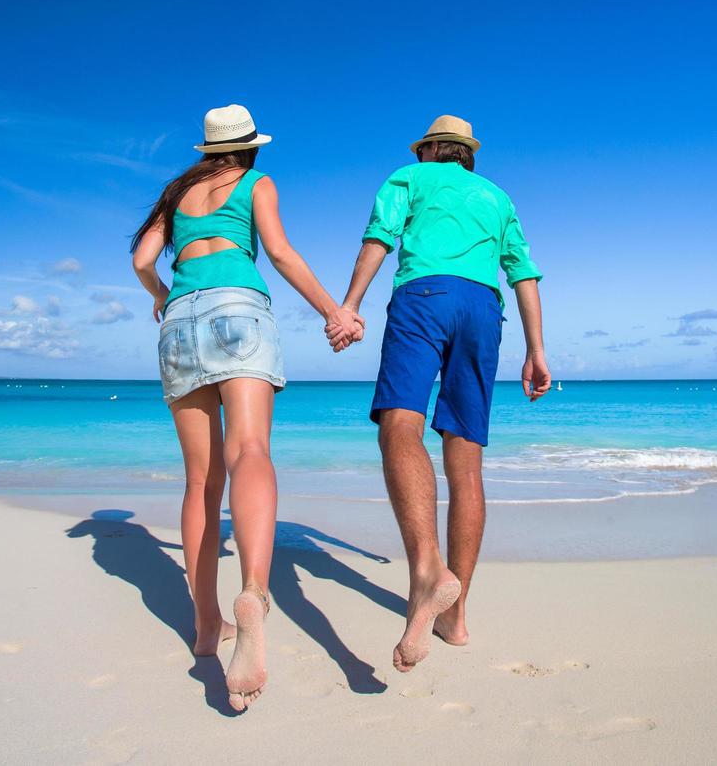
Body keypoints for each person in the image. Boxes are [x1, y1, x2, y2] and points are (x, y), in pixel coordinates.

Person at [131, 104, 363, 711]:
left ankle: (207, 626)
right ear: (251, 148)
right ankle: (254, 593)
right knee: (251, 451)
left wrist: (162, 295)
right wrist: (334, 313)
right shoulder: (257, 182)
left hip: (180, 320)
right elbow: (280, 253)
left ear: (207, 149)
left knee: (201, 479)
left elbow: (140, 261)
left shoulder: (176, 193)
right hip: (239, 309)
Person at [333, 114, 549, 673]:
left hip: (423, 296)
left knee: (400, 425)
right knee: (467, 464)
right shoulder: (499, 197)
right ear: (467, 153)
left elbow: (379, 239)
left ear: (430, 148)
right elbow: (523, 273)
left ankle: (429, 569)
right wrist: (536, 351)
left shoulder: (408, 177)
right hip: (484, 308)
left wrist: (350, 305)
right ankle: (456, 618)